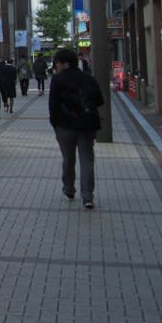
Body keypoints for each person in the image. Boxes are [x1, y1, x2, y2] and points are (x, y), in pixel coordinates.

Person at [49, 47, 104, 208]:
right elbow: (99, 101)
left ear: (63, 64)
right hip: (87, 125)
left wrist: (55, 124)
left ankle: (69, 188)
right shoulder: (88, 78)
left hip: (65, 126)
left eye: (57, 63)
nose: (56, 66)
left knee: (68, 158)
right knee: (87, 160)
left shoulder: (57, 80)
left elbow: (53, 105)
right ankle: (87, 197)